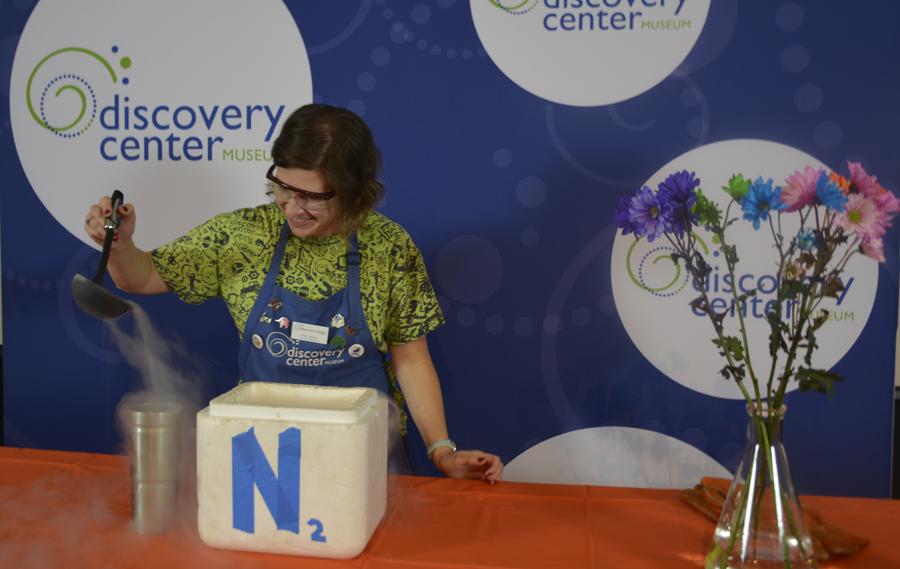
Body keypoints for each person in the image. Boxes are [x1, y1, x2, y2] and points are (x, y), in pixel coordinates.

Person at [84, 104, 502, 483]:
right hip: (264, 458)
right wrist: (120, 248)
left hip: (367, 460)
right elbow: (140, 278)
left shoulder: (389, 247)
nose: (291, 207)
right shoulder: (243, 235)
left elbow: (411, 359)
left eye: (312, 197)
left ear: (354, 192)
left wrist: (441, 450)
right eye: (283, 188)